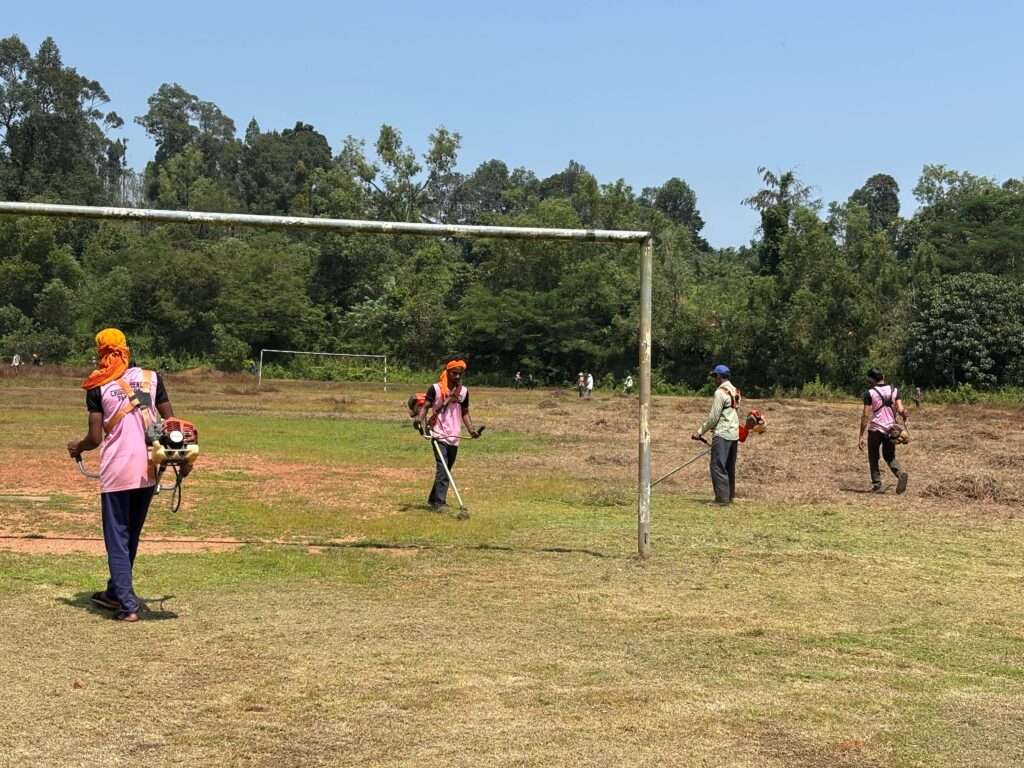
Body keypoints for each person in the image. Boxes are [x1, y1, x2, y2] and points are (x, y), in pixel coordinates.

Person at [66, 328, 187, 622]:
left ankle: (127, 606)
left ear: (100, 352)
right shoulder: (151, 378)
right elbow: (172, 424)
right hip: (148, 467)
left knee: (117, 537)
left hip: (118, 470)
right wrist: (183, 457)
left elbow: (95, 438)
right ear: (126, 349)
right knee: (130, 534)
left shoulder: (98, 385)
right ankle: (114, 592)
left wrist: (77, 447)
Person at [416, 358, 481, 511]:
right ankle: (440, 503)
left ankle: (433, 498)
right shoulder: (436, 389)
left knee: (446, 468)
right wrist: (420, 421)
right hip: (437, 432)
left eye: (460, 374)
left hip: (454, 435)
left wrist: (471, 430)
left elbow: (465, 412)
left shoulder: (463, 392)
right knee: (443, 468)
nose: (457, 376)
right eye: (454, 373)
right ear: (447, 372)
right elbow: (425, 407)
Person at [692, 364, 741, 505]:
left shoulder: (720, 393)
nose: (714, 379)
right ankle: (729, 496)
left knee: (718, 466)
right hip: (734, 434)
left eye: (715, 376)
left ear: (719, 376)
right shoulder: (735, 391)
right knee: (729, 467)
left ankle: (721, 499)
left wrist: (699, 432)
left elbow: (713, 417)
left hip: (723, 434)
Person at [858, 367, 909, 493]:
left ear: (871, 379)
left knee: (873, 457)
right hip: (890, 430)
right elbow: (901, 409)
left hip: (875, 430)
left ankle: (877, 484)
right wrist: (904, 414)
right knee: (889, 456)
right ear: (883, 377)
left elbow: (865, 415)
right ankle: (900, 473)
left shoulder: (869, 393)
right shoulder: (894, 390)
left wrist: (861, 435)